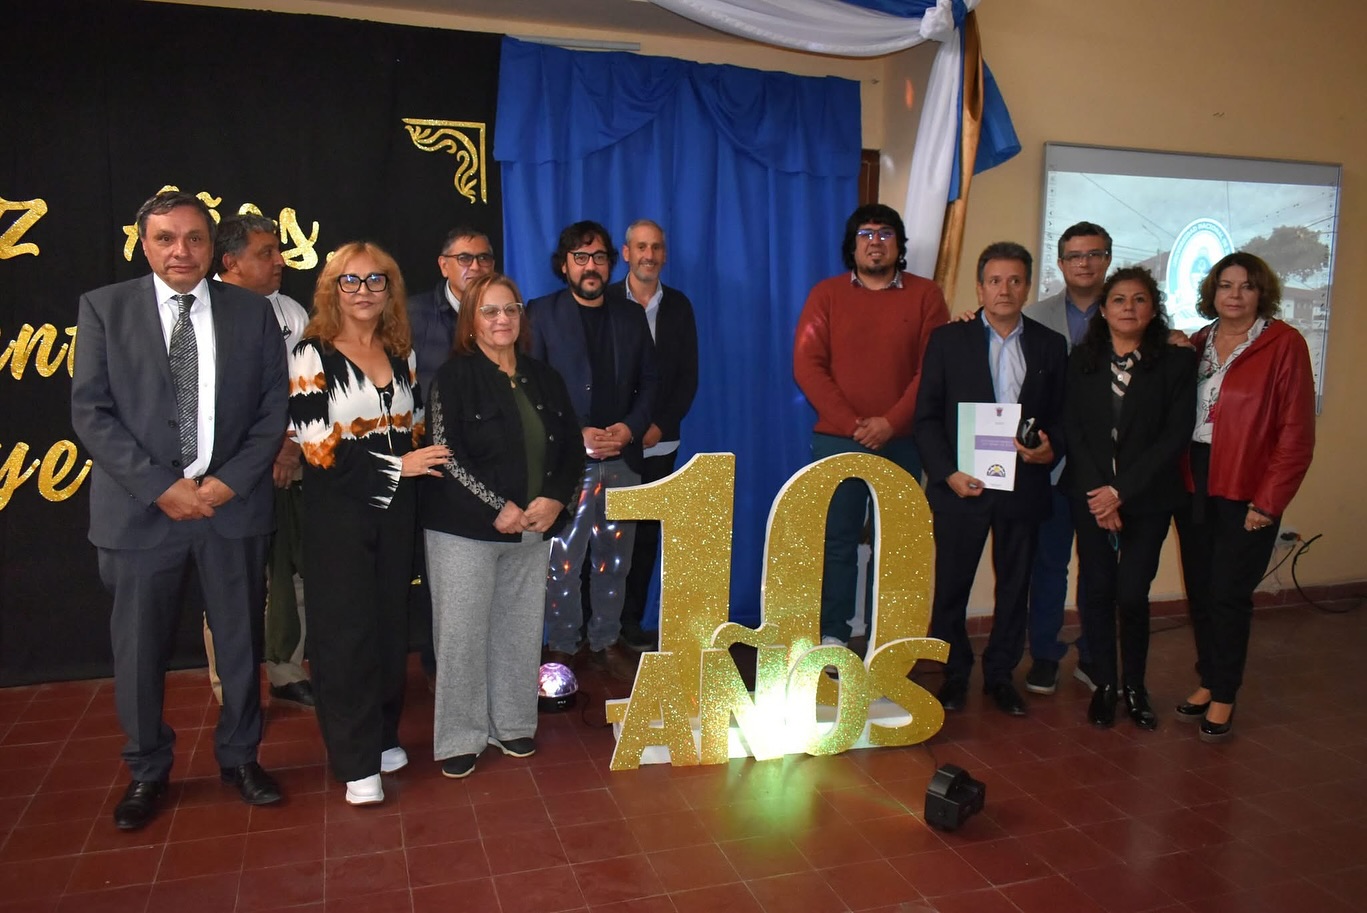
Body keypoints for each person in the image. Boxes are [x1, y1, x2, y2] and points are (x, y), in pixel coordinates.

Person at [71, 190, 287, 830]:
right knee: (139, 651)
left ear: (212, 247)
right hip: (141, 513)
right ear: (144, 245)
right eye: (165, 238)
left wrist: (225, 485)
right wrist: (162, 487)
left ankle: (241, 757)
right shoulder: (105, 308)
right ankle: (147, 769)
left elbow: (272, 411)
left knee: (241, 641)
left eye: (194, 238)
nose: (181, 251)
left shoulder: (251, 313)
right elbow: (91, 413)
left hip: (230, 510)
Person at [288, 241, 449, 805]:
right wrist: (398, 465)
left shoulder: (400, 351)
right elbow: (315, 446)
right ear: (332, 289)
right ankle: (354, 760)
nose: (363, 291)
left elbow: (417, 427)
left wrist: (414, 468)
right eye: (350, 280)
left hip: (396, 510)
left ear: (390, 289)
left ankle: (381, 735)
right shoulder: (311, 353)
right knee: (346, 635)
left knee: (387, 627)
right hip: (338, 512)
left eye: (375, 280)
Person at [421, 273, 585, 779]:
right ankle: (460, 737)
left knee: (518, 631)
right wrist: (497, 506)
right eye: (489, 311)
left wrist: (556, 501)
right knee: (462, 636)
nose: (502, 320)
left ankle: (513, 723)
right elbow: (445, 454)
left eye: (510, 309)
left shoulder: (544, 377)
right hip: (464, 530)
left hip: (532, 527)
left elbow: (570, 450)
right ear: (471, 322)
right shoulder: (452, 378)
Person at [913, 242, 1067, 717]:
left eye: (1015, 280)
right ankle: (955, 674)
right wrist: (948, 474)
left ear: (1027, 287)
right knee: (952, 587)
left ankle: (1000, 674)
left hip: (1023, 486)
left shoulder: (1049, 344)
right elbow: (927, 418)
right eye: (995, 280)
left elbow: (1063, 416)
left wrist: (1051, 449)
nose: (1005, 289)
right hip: (962, 486)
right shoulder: (948, 340)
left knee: (1015, 587)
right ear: (980, 288)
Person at [793, 204, 948, 648]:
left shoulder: (926, 295)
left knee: (894, 545)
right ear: (852, 245)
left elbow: (932, 370)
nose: (875, 242)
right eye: (865, 234)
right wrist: (854, 425)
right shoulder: (826, 295)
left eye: (885, 233)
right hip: (837, 440)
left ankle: (888, 639)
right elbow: (807, 365)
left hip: (904, 441)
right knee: (837, 540)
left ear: (899, 245)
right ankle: (833, 636)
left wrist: (891, 423)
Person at [1175, 252, 1315, 742]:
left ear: (1262, 293)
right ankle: (1209, 678)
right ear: (1212, 292)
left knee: (1229, 593)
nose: (1235, 295)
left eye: (1246, 286)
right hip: (1192, 479)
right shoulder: (1197, 343)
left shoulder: (1284, 344)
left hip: (1248, 483)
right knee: (1201, 589)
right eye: (1225, 285)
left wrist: (1268, 502)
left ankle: (1225, 693)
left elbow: (1296, 434)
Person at [1062, 267, 1196, 729]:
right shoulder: (1081, 361)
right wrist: (1101, 496)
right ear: (1103, 310)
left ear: (1153, 310)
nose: (1128, 308)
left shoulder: (1176, 362)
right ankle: (1105, 684)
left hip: (1148, 498)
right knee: (1098, 591)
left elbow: (1174, 436)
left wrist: (1120, 492)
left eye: (1139, 299)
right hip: (1090, 497)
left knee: (1133, 593)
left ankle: (1135, 687)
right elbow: (1074, 432)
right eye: (1119, 300)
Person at [528, 220, 657, 681]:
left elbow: (651, 384)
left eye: (599, 257)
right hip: (567, 462)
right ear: (564, 265)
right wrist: (576, 433)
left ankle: (605, 640)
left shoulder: (630, 316)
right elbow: (531, 390)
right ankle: (563, 645)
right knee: (563, 563)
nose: (591, 266)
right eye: (580, 257)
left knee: (614, 561)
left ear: (610, 263)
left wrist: (629, 428)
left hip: (622, 459)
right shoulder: (540, 314)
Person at [201, 213, 314, 710]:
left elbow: (309, 387)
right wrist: (258, 454)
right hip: (229, 473)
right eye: (266, 253)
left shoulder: (291, 310)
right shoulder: (202, 312)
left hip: (292, 460)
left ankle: (287, 671)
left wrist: (290, 444)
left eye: (278, 250)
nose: (279, 261)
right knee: (231, 582)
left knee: (294, 571)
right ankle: (233, 691)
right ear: (230, 262)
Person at [1022, 221, 1111, 695]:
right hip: (1051, 464)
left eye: (1094, 254)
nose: (1084, 263)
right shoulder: (1033, 315)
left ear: (1107, 260)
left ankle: (1094, 655)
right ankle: (1045, 654)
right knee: (1049, 564)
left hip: (1105, 468)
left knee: (1100, 569)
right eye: (1075, 255)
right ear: (1060, 263)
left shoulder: (1130, 311)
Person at [406, 226, 496, 684]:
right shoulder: (412, 313)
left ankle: (486, 659)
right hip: (433, 465)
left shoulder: (502, 311)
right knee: (440, 572)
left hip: (492, 464)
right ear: (444, 265)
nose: (475, 267)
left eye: (484, 258)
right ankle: (442, 664)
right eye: (465, 258)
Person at [610, 219, 698, 652]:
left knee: (645, 536)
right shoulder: (606, 300)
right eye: (641, 247)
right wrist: (627, 428)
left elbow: (687, 376)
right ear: (626, 253)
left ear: (664, 254)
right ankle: (596, 626)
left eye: (656, 247)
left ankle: (629, 623)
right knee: (606, 535)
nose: (649, 255)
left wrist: (658, 424)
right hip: (612, 443)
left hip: (660, 442)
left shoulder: (679, 306)